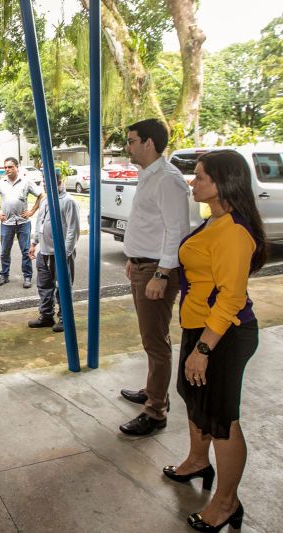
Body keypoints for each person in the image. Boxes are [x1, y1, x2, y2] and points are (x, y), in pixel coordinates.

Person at [163, 150, 265, 531]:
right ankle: (196, 461)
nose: (193, 182)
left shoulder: (234, 232)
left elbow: (232, 298)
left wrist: (204, 349)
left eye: (201, 177)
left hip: (223, 335)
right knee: (194, 400)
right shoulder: (215, 221)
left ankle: (226, 502)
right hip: (200, 328)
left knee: (222, 419)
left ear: (223, 184)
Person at [118, 118, 190, 436]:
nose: (127, 146)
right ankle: (153, 390)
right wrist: (135, 258)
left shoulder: (167, 179)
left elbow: (177, 231)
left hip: (157, 271)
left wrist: (161, 273)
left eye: (131, 140)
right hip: (143, 266)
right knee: (151, 339)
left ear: (148, 143)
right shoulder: (148, 175)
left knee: (156, 342)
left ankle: (156, 410)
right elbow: (151, 225)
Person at [27, 171, 80, 332]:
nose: (46, 185)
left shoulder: (68, 201)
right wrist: (34, 242)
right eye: (44, 183)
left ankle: (65, 318)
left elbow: (73, 230)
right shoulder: (44, 200)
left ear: (59, 182)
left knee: (63, 287)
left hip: (61, 254)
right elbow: (39, 223)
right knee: (44, 286)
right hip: (44, 252)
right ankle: (46, 315)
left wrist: (65, 253)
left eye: (50, 182)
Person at [0, 157, 44, 289]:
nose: (7, 169)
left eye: (10, 167)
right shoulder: (0, 183)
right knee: (4, 252)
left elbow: (40, 196)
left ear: (16, 167)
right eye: (6, 167)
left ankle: (27, 277)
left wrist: (31, 212)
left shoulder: (26, 182)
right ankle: (4, 275)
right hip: (6, 223)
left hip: (23, 222)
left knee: (26, 251)